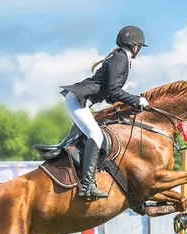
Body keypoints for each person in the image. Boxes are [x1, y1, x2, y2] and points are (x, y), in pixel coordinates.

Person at [60, 26, 148, 198]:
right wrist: (137, 100)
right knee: (96, 136)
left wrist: (131, 105)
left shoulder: (121, 58)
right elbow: (115, 90)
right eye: (139, 47)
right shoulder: (120, 58)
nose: (139, 50)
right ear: (134, 45)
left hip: (80, 101)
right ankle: (87, 185)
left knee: (96, 134)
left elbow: (109, 94)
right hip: (77, 101)